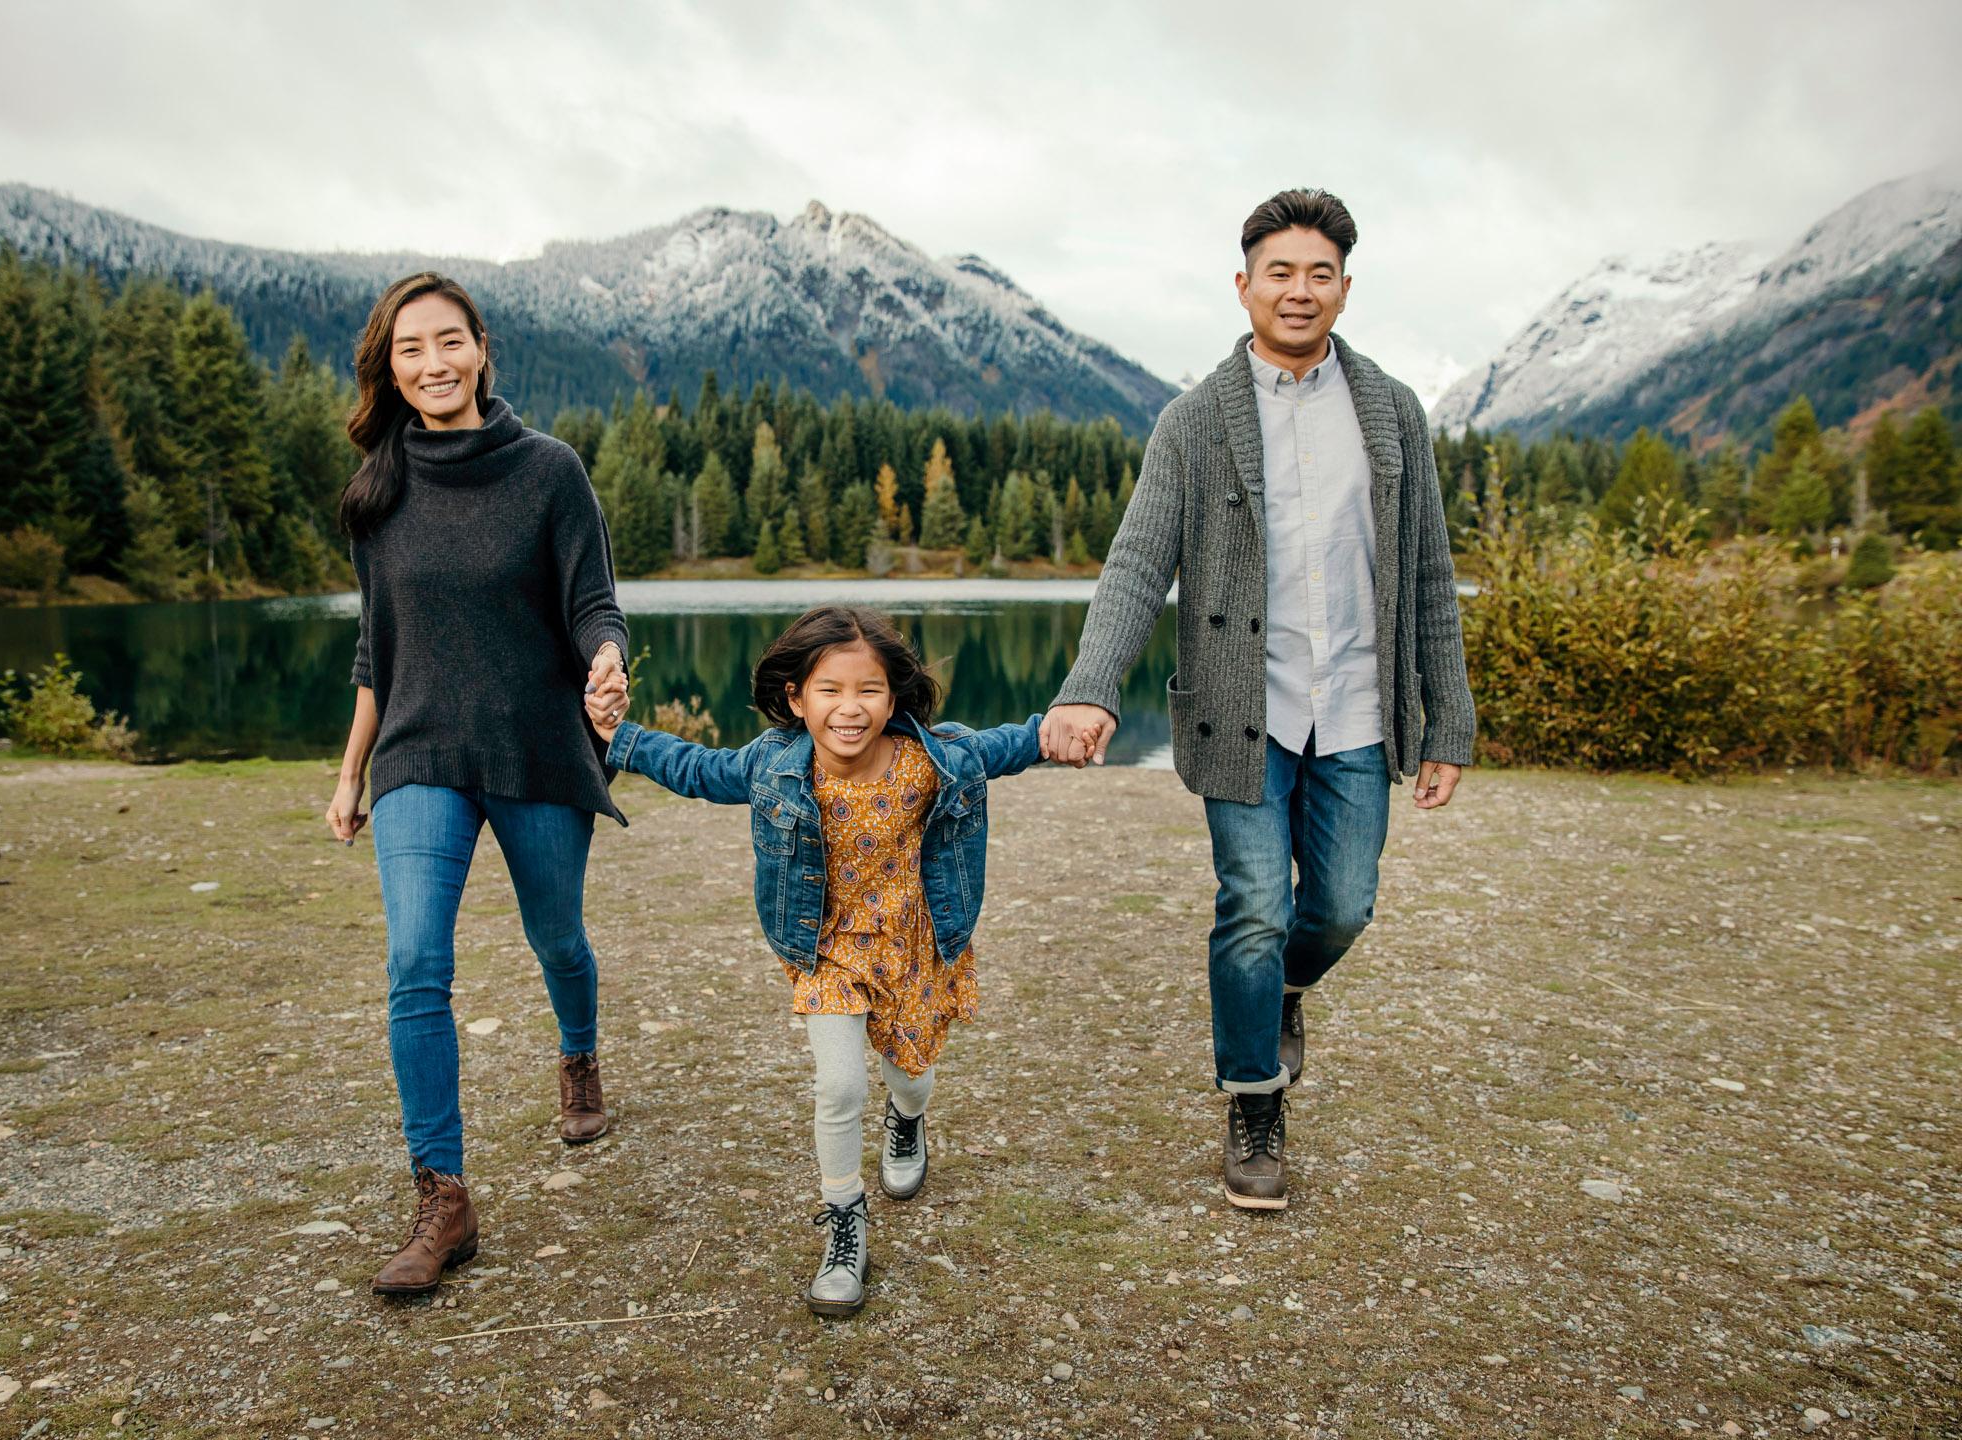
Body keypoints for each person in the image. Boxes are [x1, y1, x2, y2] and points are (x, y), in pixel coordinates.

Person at [1041, 189, 1475, 1211]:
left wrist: (1447, 719)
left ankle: (1283, 991)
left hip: (1360, 709)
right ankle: (1253, 1101)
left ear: (1344, 289)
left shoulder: (1392, 411)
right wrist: (1091, 686)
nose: (1299, 290)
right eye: (1279, 272)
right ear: (1244, 286)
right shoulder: (1194, 421)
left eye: (1319, 273)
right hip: (1243, 710)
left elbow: (1429, 576)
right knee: (1251, 908)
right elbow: (1139, 563)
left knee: (1341, 905)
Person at [586, 607, 1045, 1316]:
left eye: (868, 689)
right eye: (829, 690)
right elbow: (697, 768)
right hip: (825, 953)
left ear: (893, 697)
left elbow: (1011, 745)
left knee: (911, 1078)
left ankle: (906, 1117)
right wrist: (619, 737)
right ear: (797, 699)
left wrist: (1059, 729)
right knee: (837, 1087)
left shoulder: (933, 757)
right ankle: (844, 1223)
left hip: (914, 949)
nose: (850, 708)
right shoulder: (772, 762)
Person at [323, 271, 631, 1296]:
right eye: (409, 350)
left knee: (557, 937)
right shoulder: (378, 490)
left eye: (448, 343)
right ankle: (442, 1199)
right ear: (390, 366)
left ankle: (578, 1055)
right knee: (415, 961)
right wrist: (350, 769)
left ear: (483, 348)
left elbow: (594, 603)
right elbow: (378, 649)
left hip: (537, 746)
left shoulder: (549, 472)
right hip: (421, 754)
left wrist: (604, 661)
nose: (432, 365)